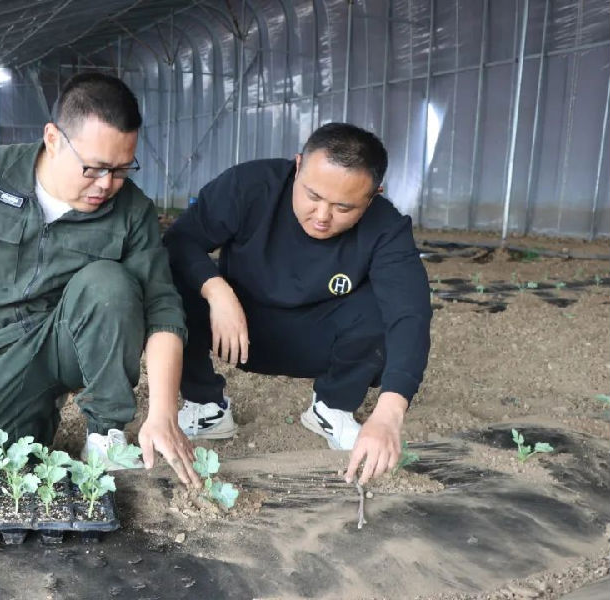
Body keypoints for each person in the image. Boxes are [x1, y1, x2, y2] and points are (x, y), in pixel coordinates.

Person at [0, 73, 201, 486]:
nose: (106, 185)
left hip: (73, 344)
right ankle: (34, 411)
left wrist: (164, 413)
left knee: (109, 284)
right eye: (94, 168)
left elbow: (163, 306)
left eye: (121, 170)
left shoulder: (132, 211)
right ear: (54, 138)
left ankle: (104, 433)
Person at [163, 122, 432, 485]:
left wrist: (388, 414)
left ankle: (332, 407)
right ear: (298, 165)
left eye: (343, 207)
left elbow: (409, 313)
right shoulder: (249, 185)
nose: (322, 216)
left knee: (385, 304)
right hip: (236, 330)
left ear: (374, 196)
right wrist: (217, 290)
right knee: (175, 280)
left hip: (318, 339)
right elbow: (180, 241)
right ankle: (206, 406)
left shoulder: (387, 227)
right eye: (313, 196)